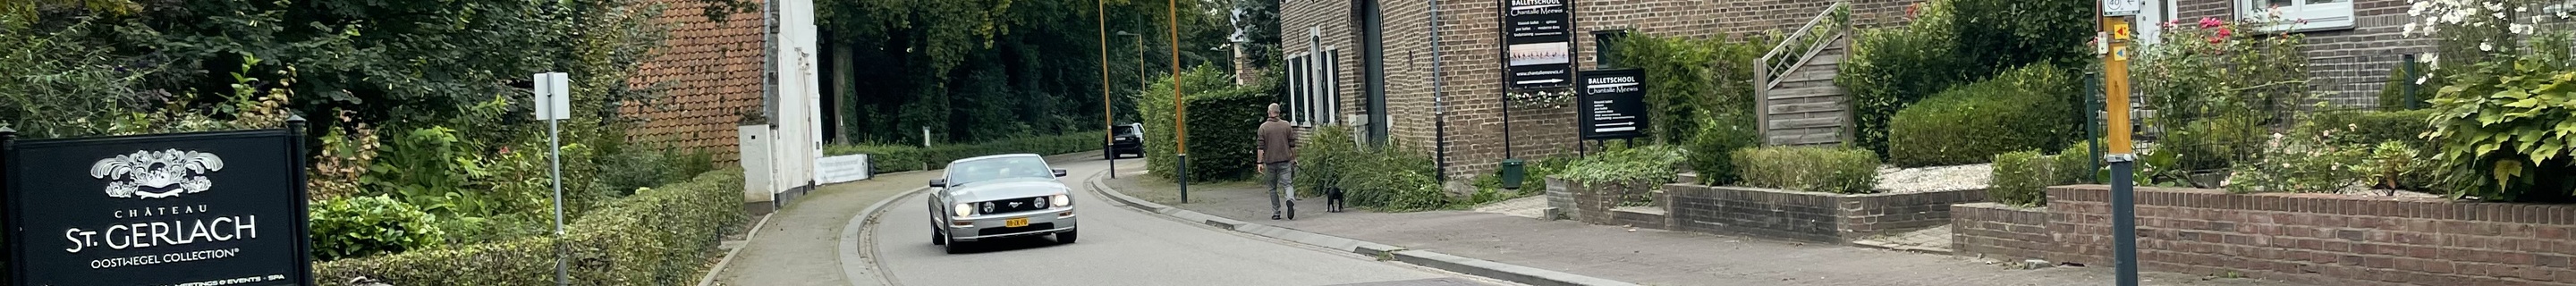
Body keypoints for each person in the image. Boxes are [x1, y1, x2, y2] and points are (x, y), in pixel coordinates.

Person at [1256, 103, 1298, 220]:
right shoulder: (1286, 125)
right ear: (1279, 113)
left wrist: (1259, 162)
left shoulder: (1263, 128)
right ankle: (1290, 199)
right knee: (1288, 184)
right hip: (1285, 160)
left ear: (1269, 112)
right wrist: (1294, 158)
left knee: (1272, 188)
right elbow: (1292, 144)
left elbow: (1260, 147)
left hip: (1270, 162)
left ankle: (1276, 212)